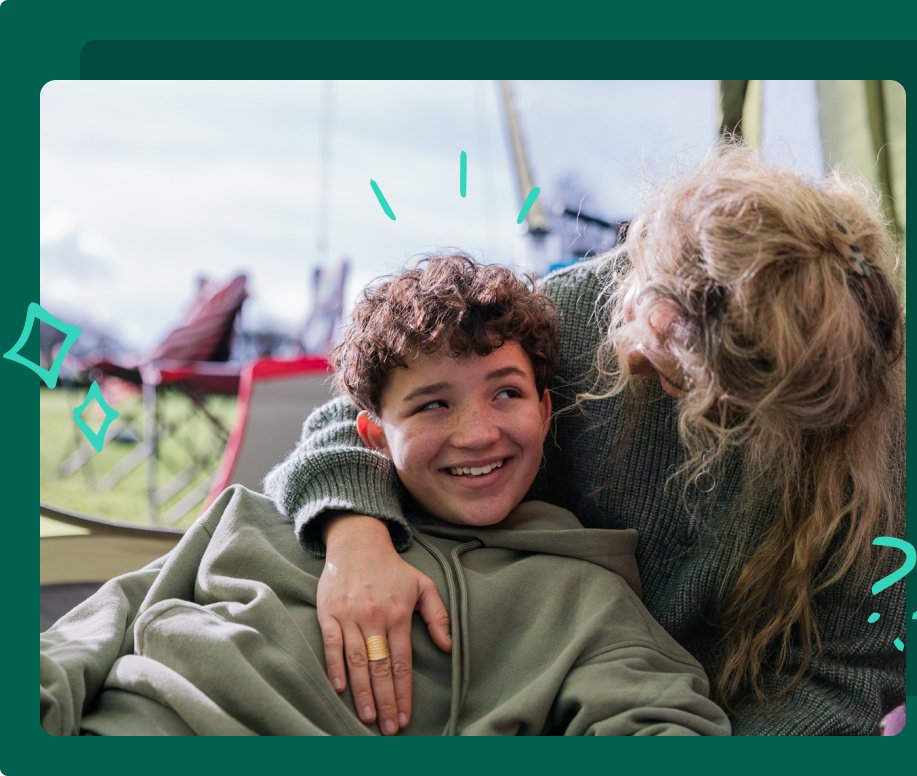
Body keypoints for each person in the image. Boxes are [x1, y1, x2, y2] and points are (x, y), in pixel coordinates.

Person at [264, 144, 906, 736]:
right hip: (530, 675)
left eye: (726, 401)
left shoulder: (895, 436)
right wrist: (355, 538)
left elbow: (851, 673)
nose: (633, 336)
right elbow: (365, 419)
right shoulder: (583, 305)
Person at [41, 254, 730, 737]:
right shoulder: (252, 516)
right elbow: (96, 628)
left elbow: (660, 723)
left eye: (506, 394)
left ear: (547, 413)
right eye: (432, 406)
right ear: (372, 435)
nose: (476, 433)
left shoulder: (581, 595)